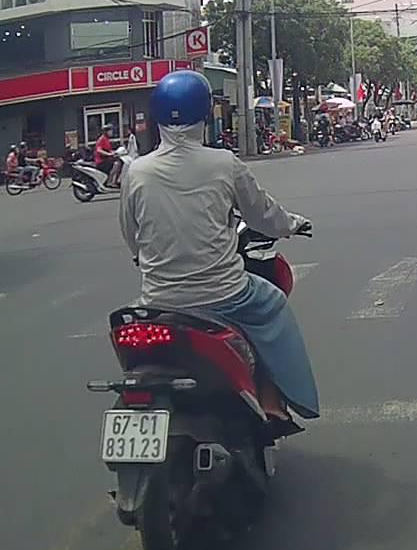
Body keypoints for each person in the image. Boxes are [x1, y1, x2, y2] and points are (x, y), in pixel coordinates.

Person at [119, 70, 319, 427]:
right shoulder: (224, 163)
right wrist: (292, 224)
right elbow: (262, 215)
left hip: (159, 299)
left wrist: (141, 256)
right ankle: (273, 403)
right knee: (273, 305)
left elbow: (131, 230)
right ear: (205, 113)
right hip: (224, 294)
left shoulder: (137, 171)